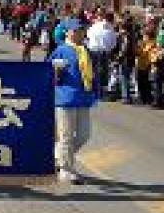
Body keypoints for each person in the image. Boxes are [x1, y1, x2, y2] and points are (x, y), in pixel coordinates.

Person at [48, 18, 96, 184]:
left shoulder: (85, 50)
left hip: (83, 98)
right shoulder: (60, 50)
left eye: (82, 30)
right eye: (76, 30)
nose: (80, 33)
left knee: (84, 135)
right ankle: (66, 170)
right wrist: (55, 70)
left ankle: (58, 158)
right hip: (65, 97)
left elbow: (90, 74)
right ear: (68, 32)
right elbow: (48, 74)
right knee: (66, 136)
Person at [86, 12, 117, 99]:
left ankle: (93, 90)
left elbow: (88, 35)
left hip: (93, 50)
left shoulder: (95, 25)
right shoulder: (111, 29)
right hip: (104, 52)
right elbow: (113, 43)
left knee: (94, 71)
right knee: (103, 73)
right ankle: (100, 92)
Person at [136, 28, 156, 105]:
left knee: (146, 83)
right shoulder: (142, 43)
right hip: (140, 65)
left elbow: (145, 53)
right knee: (141, 82)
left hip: (147, 66)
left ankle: (147, 98)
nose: (143, 37)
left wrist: (141, 50)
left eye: (144, 35)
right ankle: (143, 98)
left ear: (148, 36)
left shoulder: (152, 44)